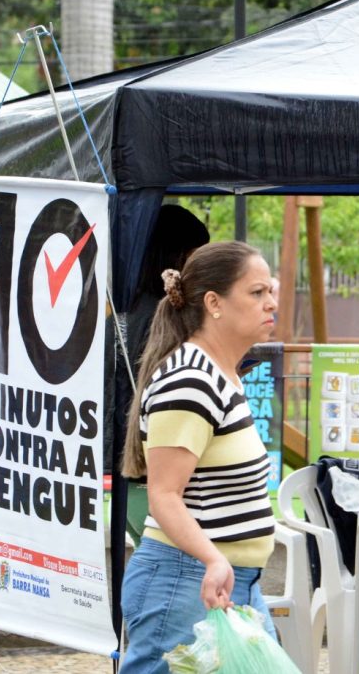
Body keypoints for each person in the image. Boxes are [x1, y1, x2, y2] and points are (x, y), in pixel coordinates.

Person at [119, 241, 279, 674]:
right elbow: (164, 495)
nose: (272, 304)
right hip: (187, 581)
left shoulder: (221, 373)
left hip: (225, 580)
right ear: (214, 303)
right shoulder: (191, 379)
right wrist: (212, 558)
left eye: (272, 291)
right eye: (257, 292)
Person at [117, 204, 210, 545]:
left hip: (133, 449)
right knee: (168, 554)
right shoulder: (165, 312)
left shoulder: (132, 304)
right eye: (193, 254)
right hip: (156, 450)